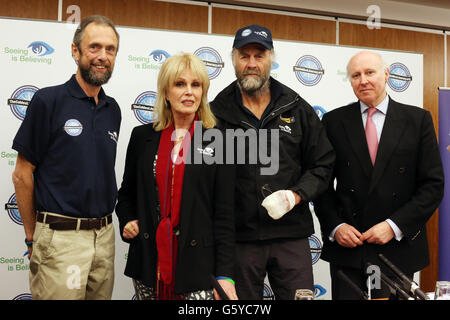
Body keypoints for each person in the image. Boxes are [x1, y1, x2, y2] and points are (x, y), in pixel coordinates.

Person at [210, 24, 335, 300]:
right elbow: (204, 181)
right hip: (238, 242)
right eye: (244, 56)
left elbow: (323, 164)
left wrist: (296, 195)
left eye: (259, 55)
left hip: (291, 237)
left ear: (271, 59)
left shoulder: (297, 107)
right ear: (233, 59)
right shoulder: (214, 114)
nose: (252, 64)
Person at [314, 50, 445, 300]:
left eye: (369, 72)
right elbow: (321, 183)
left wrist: (393, 226)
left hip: (397, 249)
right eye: (355, 75)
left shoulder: (417, 120)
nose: (363, 80)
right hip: (349, 248)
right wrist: (336, 226)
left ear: (386, 75)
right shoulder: (333, 121)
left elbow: (432, 185)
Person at [11, 15, 121, 300]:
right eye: (94, 47)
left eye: (110, 49)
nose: (102, 56)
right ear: (75, 51)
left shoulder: (113, 110)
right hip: (60, 239)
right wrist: (33, 236)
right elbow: (22, 173)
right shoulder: (48, 101)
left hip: (104, 237)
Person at [115, 53, 237, 300]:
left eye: (196, 85)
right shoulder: (142, 137)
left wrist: (225, 275)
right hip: (149, 264)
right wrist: (128, 220)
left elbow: (225, 214)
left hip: (198, 267)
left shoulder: (219, 140)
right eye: (180, 84)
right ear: (166, 92)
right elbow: (126, 195)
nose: (189, 92)